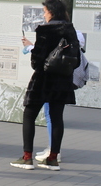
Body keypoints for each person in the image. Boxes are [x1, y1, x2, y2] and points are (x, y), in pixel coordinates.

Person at [11, 0, 77, 171]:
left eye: (44, 11)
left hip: (43, 79)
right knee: (57, 118)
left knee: (29, 115)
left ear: (51, 12)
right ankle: (53, 159)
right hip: (63, 80)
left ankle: (27, 158)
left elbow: (36, 61)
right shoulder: (70, 29)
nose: (43, 14)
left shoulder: (45, 30)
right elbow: (75, 59)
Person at [21, 27, 86, 163]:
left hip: (48, 79)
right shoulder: (74, 34)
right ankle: (53, 153)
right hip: (64, 79)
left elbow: (48, 56)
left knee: (43, 115)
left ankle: (47, 152)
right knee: (55, 116)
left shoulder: (55, 32)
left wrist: (30, 47)